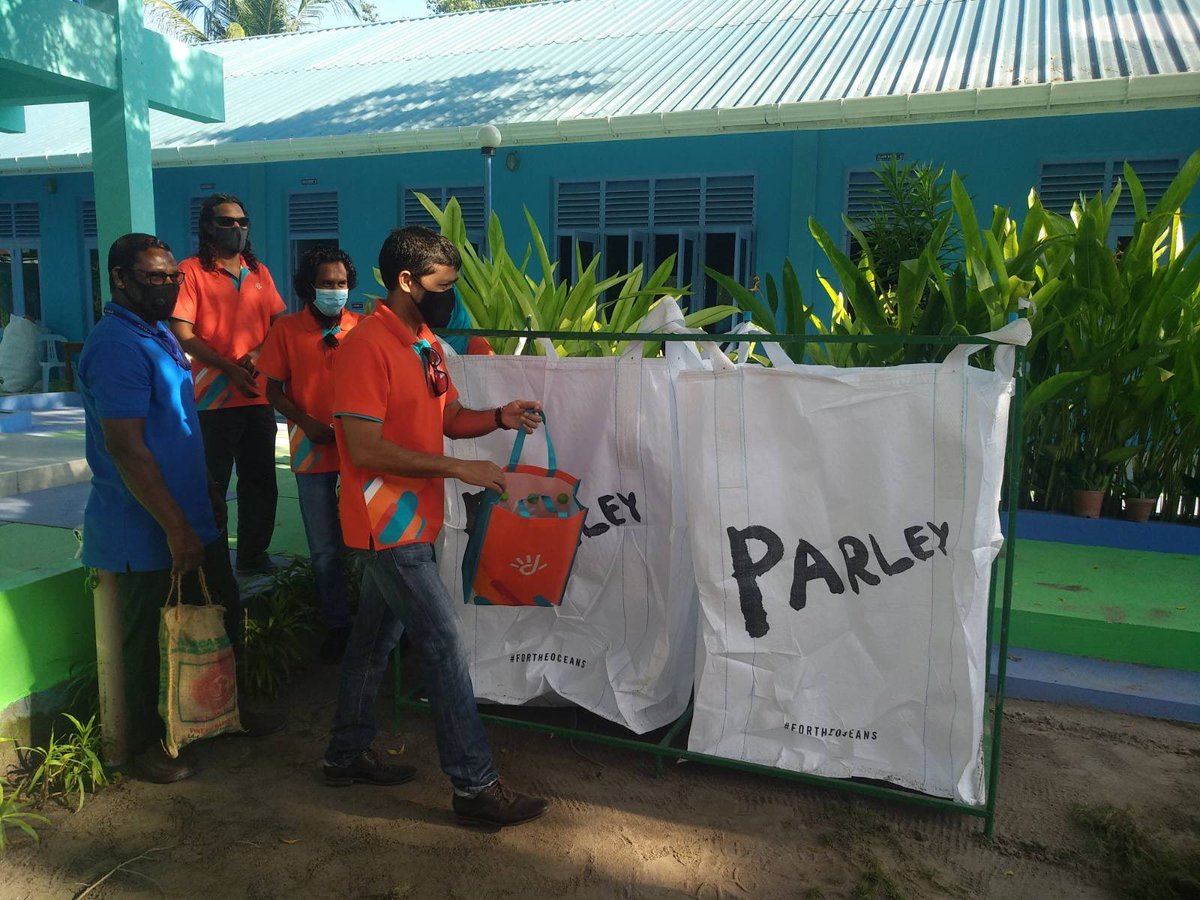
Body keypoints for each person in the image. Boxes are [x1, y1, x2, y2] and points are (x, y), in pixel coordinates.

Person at [322, 226, 549, 828]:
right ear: (405, 281)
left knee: (374, 643)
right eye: (443, 286)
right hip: (384, 524)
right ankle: (475, 788)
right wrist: (461, 468)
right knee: (444, 645)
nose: (451, 296)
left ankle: (345, 753)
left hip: (414, 519)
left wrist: (499, 417)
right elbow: (366, 448)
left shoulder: (423, 341)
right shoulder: (364, 348)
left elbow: (446, 415)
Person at [76, 233, 278, 784]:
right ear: (119, 278)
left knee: (222, 613)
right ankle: (141, 747)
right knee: (148, 639)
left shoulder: (158, 334)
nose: (165, 285)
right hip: (145, 526)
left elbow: (177, 428)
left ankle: (223, 713)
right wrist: (175, 526)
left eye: (172, 276)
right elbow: (126, 446)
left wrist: (209, 486)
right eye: (152, 277)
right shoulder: (118, 344)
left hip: (193, 512)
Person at [170, 194, 285, 576]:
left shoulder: (259, 272)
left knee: (261, 483)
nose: (236, 229)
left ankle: (253, 556)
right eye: (226, 222)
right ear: (207, 227)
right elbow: (183, 333)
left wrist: (258, 355)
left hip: (256, 397)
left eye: (242, 221)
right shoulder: (190, 272)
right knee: (213, 486)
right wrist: (227, 367)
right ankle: (213, 564)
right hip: (211, 402)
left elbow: (278, 326)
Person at [257, 246, 361, 664]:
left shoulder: (363, 327)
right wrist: (305, 422)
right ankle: (337, 625)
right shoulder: (286, 330)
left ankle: (377, 624)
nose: (336, 291)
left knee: (368, 544)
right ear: (308, 286)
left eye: (341, 284)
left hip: (360, 452)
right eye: (327, 284)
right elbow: (273, 390)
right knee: (323, 548)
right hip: (311, 452)